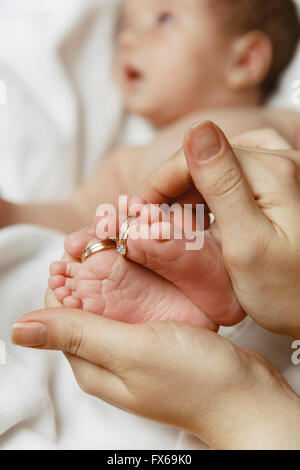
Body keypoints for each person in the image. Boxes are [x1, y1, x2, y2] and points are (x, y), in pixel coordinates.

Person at [12, 126, 300, 450]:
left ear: (245, 71)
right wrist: (17, 213)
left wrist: (229, 404)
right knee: (179, 211)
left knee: (174, 203)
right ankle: (205, 264)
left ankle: (210, 258)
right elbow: (77, 209)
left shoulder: (255, 120)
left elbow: (89, 205)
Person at [1, 0, 300, 233]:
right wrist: (13, 215)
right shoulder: (127, 162)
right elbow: (76, 216)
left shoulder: (277, 122)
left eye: (164, 18)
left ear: (244, 61)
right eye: (124, 26)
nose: (128, 39)